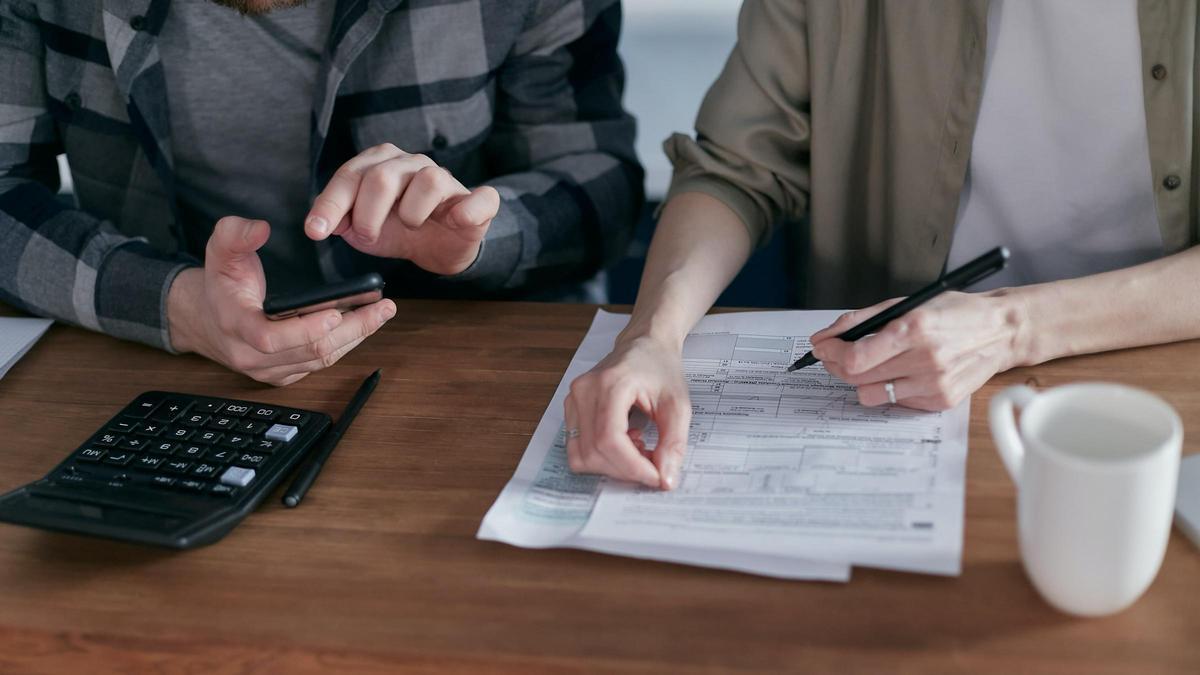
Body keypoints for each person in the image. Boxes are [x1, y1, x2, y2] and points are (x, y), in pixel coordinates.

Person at [564, 0, 1200, 490]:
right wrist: (652, 336)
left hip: (1159, 365)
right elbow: (738, 165)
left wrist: (1014, 326)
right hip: (892, 385)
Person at [0, 0, 642, 385]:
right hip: (155, 366)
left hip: (469, 360)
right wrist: (177, 306)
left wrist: (477, 239)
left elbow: (600, 188)